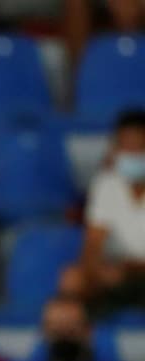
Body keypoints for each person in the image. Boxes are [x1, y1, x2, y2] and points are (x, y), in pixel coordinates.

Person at [58, 110, 145, 317]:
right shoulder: (106, 184)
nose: (131, 154)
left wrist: (129, 269)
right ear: (115, 149)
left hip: (134, 271)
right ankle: (74, 336)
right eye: (125, 147)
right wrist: (98, 269)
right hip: (117, 274)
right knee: (72, 279)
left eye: (138, 147)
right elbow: (93, 243)